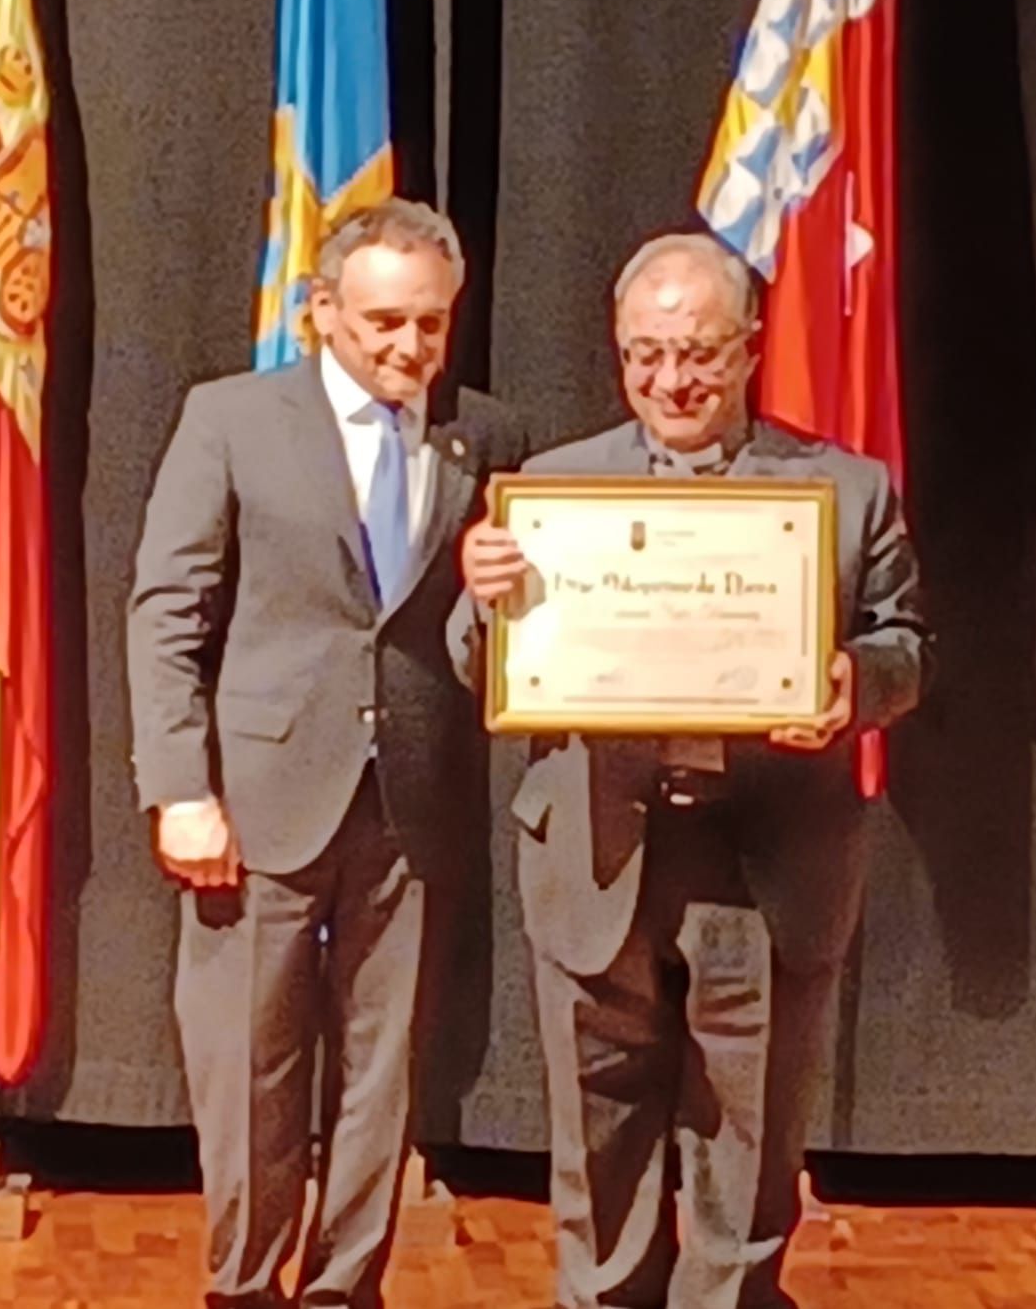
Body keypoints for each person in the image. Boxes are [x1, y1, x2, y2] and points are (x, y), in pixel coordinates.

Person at [454, 232, 931, 1309]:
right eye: (644, 355)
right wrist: (478, 598)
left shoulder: (842, 491)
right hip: (598, 846)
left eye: (698, 353)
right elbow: (478, 664)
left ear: (749, 350)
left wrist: (856, 681)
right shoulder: (551, 488)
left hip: (763, 855)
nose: (671, 380)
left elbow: (908, 646)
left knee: (746, 1149)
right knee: (598, 1137)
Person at [128, 199, 524, 1309]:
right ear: (320, 312)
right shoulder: (231, 419)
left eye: (432, 325)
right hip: (255, 802)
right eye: (386, 321)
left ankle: (347, 1288)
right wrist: (178, 789)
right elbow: (166, 613)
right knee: (247, 1068)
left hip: (412, 801)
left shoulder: (484, 437)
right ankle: (243, 1286)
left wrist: (499, 602)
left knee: (381, 1071)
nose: (410, 348)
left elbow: (471, 639)